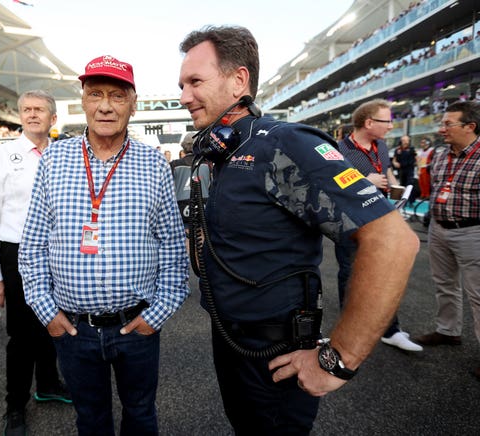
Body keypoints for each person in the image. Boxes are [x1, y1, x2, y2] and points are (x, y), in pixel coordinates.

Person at [178, 26, 419, 434]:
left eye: (195, 82)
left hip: (276, 353)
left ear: (239, 80)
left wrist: (338, 360)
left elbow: (394, 241)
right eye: (181, 85)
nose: (184, 97)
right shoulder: (221, 153)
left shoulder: (284, 144)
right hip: (230, 340)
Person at [18, 55, 189, 435]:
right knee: (90, 419)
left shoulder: (153, 163)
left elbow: (173, 247)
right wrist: (48, 313)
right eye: (96, 94)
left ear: (133, 103)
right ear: (83, 100)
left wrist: (158, 313)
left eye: (117, 95)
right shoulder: (54, 160)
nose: (106, 106)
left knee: (141, 414)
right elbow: (32, 245)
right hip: (74, 330)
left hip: (136, 325)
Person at [0, 90, 71, 436]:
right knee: (21, 335)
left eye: (40, 110)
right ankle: (14, 405)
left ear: (52, 118)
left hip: (58, 253)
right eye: (27, 110)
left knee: (53, 322)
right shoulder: (1, 156)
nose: (33, 115)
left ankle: (48, 384)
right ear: (20, 115)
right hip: (15, 252)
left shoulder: (64, 153)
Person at [334, 99, 422, 352]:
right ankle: (347, 333)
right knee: (350, 274)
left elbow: (386, 173)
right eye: (387, 121)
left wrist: (397, 191)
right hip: (350, 223)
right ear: (369, 122)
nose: (392, 126)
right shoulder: (338, 149)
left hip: (381, 219)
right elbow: (333, 185)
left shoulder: (381, 146)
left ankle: (390, 329)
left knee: (385, 274)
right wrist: (365, 180)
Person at [415, 101, 480, 381]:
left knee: (478, 295)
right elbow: (436, 189)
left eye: (448, 124)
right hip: (439, 228)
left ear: (470, 127)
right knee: (445, 284)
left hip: (472, 231)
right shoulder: (440, 155)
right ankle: (448, 331)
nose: (442, 129)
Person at [170, 131, 211, 238]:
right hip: (204, 209)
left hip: (180, 211)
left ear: (183, 147)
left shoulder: (174, 165)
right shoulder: (208, 164)